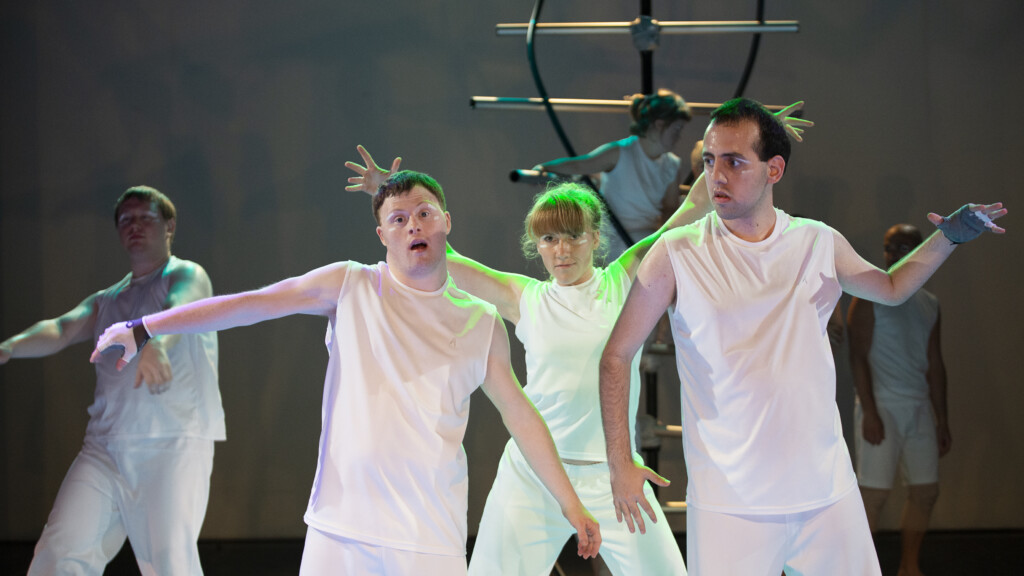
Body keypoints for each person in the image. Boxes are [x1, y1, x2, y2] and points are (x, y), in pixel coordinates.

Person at [342, 109, 807, 576]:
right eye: (548, 239)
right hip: (535, 476)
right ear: (537, 246)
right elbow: (438, 249)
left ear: (593, 238)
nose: (561, 250)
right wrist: (390, 189)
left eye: (572, 237)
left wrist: (765, 134)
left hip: (615, 475)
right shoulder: (522, 297)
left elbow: (693, 208)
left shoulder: (626, 280)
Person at [91, 171, 600, 575]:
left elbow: (521, 416)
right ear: (382, 235)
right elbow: (253, 303)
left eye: (424, 213)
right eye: (398, 219)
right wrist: (142, 327)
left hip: (429, 537)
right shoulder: (351, 286)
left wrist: (572, 505)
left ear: (446, 221)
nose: (413, 225)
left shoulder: (481, 322)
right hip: (341, 529)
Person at [599, 97, 1007, 576]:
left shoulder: (817, 240)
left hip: (825, 494)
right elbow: (617, 355)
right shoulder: (676, 252)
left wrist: (949, 237)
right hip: (730, 501)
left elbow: (892, 288)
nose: (718, 176)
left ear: (774, 169)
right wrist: (619, 464)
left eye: (734, 161)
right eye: (710, 161)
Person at [0, 186, 223, 575]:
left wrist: (155, 342)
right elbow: (61, 328)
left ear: (169, 226)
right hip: (106, 447)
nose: (134, 226)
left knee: (168, 562)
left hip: (171, 443)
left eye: (145, 218)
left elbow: (181, 310)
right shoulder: (108, 300)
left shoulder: (186, 275)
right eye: (126, 221)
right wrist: (8, 347)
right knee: (61, 549)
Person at [848, 223, 950, 576]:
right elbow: (857, 357)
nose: (895, 254)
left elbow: (935, 365)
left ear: (920, 249)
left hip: (918, 408)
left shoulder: (929, 304)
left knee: (926, 492)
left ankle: (909, 566)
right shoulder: (869, 295)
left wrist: (942, 419)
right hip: (882, 407)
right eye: (890, 247)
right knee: (872, 497)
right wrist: (870, 412)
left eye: (905, 246)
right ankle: (858, 569)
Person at [532, 89, 693, 258]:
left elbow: (670, 209)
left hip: (647, 238)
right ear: (659, 124)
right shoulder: (620, 153)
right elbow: (581, 165)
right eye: (676, 129)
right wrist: (544, 168)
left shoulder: (673, 164)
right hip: (615, 238)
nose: (679, 136)